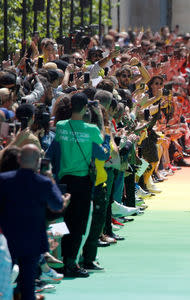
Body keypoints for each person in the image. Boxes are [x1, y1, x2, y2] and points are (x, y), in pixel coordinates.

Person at [0, 144, 69, 300]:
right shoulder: (43, 182)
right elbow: (58, 204)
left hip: (7, 237)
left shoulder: (4, 180)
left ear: (19, 159)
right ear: (38, 161)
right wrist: (51, 178)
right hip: (32, 240)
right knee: (27, 285)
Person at [51, 92, 104, 277]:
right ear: (85, 108)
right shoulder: (91, 129)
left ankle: (57, 258)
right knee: (78, 224)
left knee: (61, 221)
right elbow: (102, 141)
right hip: (82, 182)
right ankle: (71, 263)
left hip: (63, 181)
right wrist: (100, 117)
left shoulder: (60, 126)